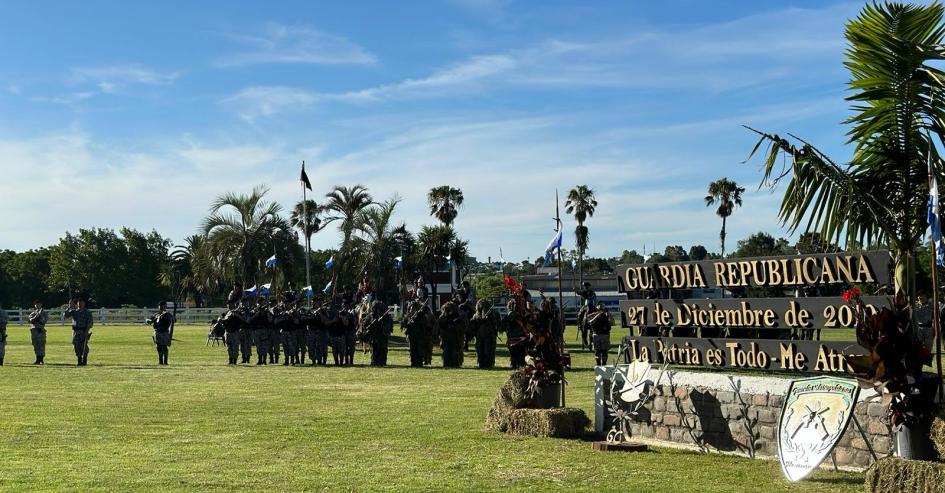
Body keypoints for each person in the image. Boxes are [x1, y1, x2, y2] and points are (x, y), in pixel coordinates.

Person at [361, 301, 393, 367]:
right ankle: (374, 362)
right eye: (376, 308)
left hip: (382, 336)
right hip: (373, 336)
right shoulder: (370, 316)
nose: (377, 310)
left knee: (383, 350)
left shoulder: (386, 317)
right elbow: (365, 325)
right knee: (373, 350)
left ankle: (382, 362)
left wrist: (382, 325)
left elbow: (389, 326)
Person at [64, 298, 94, 366]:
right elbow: (66, 315)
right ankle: (79, 359)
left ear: (84, 304)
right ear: (77, 304)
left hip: (84, 331)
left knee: (84, 346)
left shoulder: (87, 312)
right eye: (79, 303)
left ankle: (84, 359)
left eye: (82, 303)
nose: (80, 304)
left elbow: (90, 323)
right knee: (76, 346)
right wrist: (69, 306)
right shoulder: (74, 311)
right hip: (76, 331)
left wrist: (87, 331)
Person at [472, 300, 499, 369]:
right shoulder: (476, 315)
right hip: (479, 336)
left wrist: (489, 320)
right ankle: (481, 363)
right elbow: (472, 325)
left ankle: (489, 364)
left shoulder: (493, 314)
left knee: (489, 350)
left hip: (489, 335)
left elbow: (497, 324)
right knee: (480, 350)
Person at [438, 301, 465, 368]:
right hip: (445, 337)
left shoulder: (457, 316)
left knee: (454, 351)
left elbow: (461, 327)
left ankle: (455, 364)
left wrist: (454, 326)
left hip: (454, 337)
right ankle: (446, 363)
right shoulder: (442, 317)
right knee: (446, 352)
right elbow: (440, 326)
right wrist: (446, 326)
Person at [503, 299, 528, 369]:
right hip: (516, 338)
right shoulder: (517, 316)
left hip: (517, 338)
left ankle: (516, 364)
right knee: (517, 353)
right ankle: (517, 364)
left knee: (517, 353)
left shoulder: (519, 316)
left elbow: (503, 326)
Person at [575, 281, 597, 350]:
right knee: (580, 313)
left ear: (589, 286)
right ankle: (580, 323)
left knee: (598, 313)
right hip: (586, 305)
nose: (586, 287)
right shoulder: (584, 292)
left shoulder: (592, 292)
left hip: (592, 305)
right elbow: (580, 293)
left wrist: (583, 295)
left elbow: (591, 297)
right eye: (585, 286)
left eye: (586, 286)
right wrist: (576, 290)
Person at [28, 300, 48, 365]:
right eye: (36, 304)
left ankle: (41, 359)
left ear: (41, 305)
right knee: (35, 345)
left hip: (40, 331)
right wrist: (37, 315)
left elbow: (43, 321)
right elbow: (31, 320)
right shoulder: (33, 313)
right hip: (34, 331)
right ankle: (37, 359)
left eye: (38, 304)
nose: (37, 305)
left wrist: (39, 316)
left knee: (41, 345)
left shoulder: (44, 313)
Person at [0, 302, 7, 366]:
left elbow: (4, 321)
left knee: (1, 346)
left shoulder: (3, 312)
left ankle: (1, 360)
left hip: (1, 331)